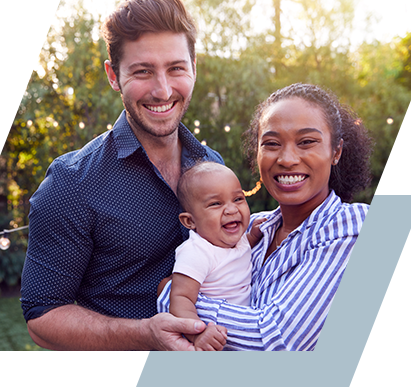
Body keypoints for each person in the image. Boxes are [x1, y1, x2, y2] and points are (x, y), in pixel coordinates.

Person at [20, 0, 227, 351]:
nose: (162, 91)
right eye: (143, 72)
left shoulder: (212, 165)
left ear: (194, 67)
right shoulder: (71, 183)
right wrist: (145, 334)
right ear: (114, 75)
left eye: (176, 68)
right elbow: (42, 318)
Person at [158, 82, 374, 350]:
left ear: (336, 151)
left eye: (306, 142)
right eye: (271, 143)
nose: (286, 159)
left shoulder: (349, 226)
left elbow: (276, 340)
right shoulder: (253, 228)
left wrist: (175, 296)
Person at [167, 161, 265, 350]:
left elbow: (240, 252)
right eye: (216, 204)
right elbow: (180, 298)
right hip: (216, 339)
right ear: (190, 221)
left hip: (244, 333)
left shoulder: (239, 239)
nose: (231, 209)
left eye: (238, 199)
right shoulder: (197, 253)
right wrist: (198, 333)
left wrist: (254, 235)